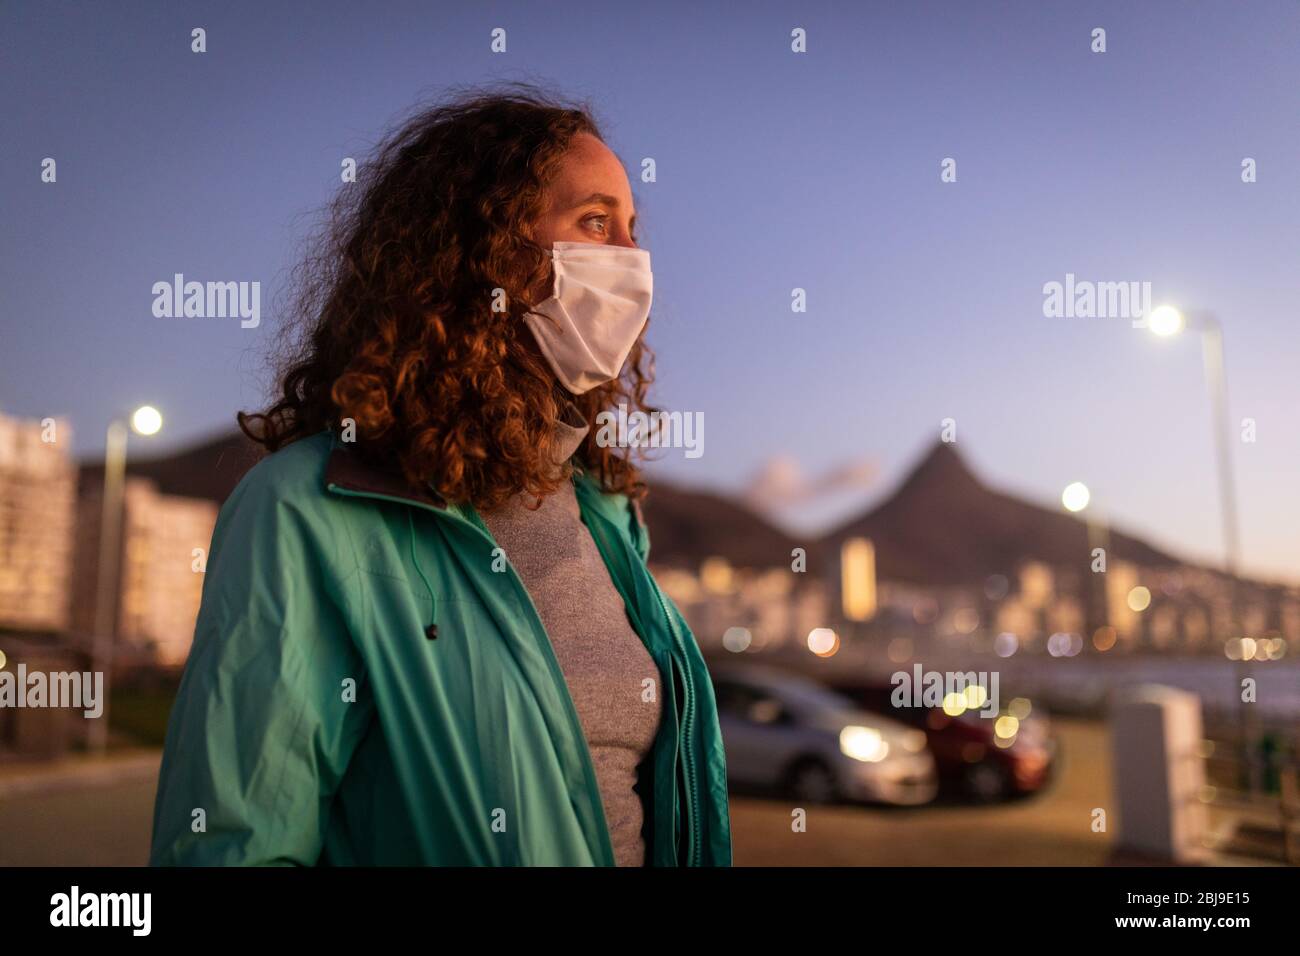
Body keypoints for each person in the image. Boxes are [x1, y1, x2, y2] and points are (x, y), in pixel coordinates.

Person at [148, 85, 731, 866]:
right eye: (595, 221)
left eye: (632, 227)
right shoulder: (312, 510)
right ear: (480, 251)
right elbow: (232, 842)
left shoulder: (607, 519)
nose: (632, 257)